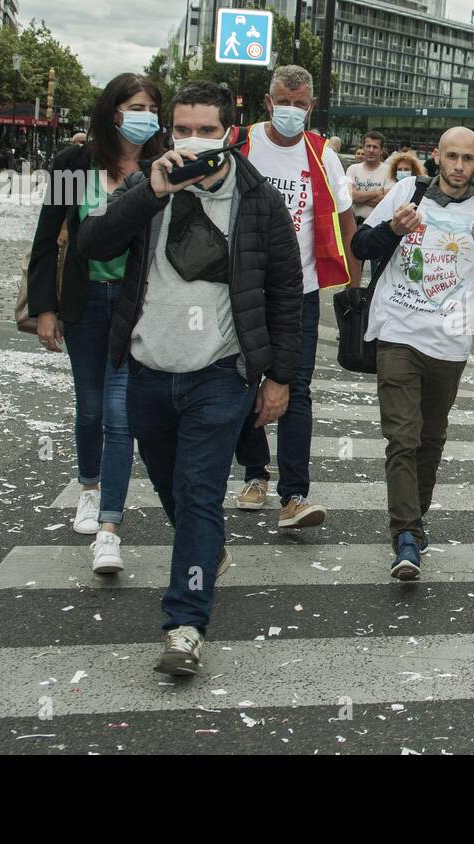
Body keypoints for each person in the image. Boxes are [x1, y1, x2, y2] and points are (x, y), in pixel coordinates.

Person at [76, 80, 304, 676]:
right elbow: (93, 241)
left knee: (200, 491)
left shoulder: (257, 199)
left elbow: (284, 292)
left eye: (207, 130)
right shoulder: (147, 182)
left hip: (220, 373)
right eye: (183, 129)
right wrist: (150, 191)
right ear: (168, 130)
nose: (194, 141)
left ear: (231, 132)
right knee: (174, 487)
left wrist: (278, 378)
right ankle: (207, 553)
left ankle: (184, 623)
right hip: (149, 367)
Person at [351, 127, 474, 580]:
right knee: (402, 436)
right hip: (398, 331)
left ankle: (414, 518)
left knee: (430, 438)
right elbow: (360, 246)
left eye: (467, 158)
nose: (459, 166)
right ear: (436, 158)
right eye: (451, 157)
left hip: (450, 341)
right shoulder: (407, 192)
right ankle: (405, 534)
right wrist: (391, 229)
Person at [28, 73, 162, 573]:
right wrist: (47, 307)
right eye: (135, 105)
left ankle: (110, 528)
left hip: (136, 304)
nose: (144, 113)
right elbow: (46, 238)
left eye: (151, 105)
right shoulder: (72, 164)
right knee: (89, 407)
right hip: (85, 302)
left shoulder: (159, 166)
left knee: (119, 414)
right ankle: (89, 487)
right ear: (113, 111)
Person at [231, 65, 360, 525]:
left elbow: (345, 217)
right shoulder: (239, 143)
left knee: (296, 389)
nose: (292, 110)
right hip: (242, 289)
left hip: (299, 292)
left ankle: (294, 494)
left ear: (310, 106)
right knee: (243, 382)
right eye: (284, 102)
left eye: (300, 104)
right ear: (269, 103)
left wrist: (354, 277)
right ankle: (253, 473)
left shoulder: (323, 154)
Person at [346, 129, 392, 225]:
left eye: (375, 147)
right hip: (354, 224)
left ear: (381, 150)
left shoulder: (389, 170)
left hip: (377, 226)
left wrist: (359, 198)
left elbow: (387, 201)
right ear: (363, 147)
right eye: (368, 146)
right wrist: (378, 192)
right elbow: (348, 196)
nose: (371, 150)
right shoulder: (352, 169)